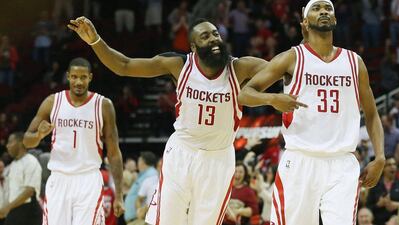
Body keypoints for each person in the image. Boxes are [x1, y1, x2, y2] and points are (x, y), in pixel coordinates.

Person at [67, 16, 305, 225]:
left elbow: (284, 70)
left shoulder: (240, 67)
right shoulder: (178, 65)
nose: (213, 39)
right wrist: (95, 41)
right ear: (193, 46)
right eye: (205, 36)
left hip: (218, 157)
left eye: (215, 34)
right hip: (182, 152)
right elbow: (124, 65)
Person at [238, 0, 385, 224]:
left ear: (335, 20)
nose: (324, 11)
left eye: (328, 9)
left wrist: (381, 157)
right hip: (300, 161)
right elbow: (244, 93)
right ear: (305, 22)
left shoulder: (355, 63)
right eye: (316, 9)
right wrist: (272, 99)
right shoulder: (292, 58)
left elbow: (372, 114)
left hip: (342, 164)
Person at [23, 57, 125, 225]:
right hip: (59, 178)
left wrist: (119, 195)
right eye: (75, 77)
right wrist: (39, 136)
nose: (79, 81)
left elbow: (114, 152)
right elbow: (27, 142)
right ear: (68, 76)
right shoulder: (52, 102)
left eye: (83, 77)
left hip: (88, 178)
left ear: (90, 77)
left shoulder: (103, 105)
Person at [0, 132, 42, 225]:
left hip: (29, 209)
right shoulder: (13, 164)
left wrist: (7, 208)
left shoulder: (31, 161)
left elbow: (29, 191)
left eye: (10, 142)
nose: (7, 146)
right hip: (16, 208)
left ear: (20, 142)